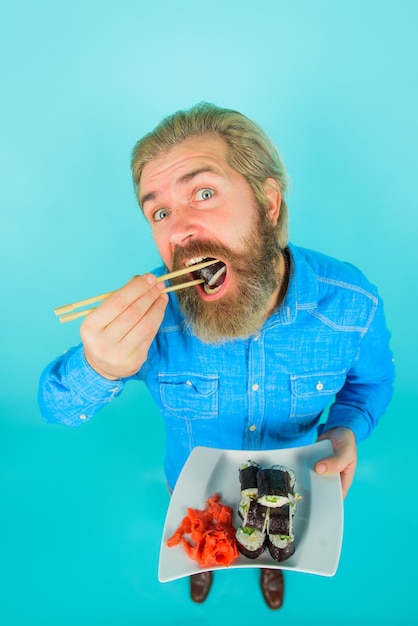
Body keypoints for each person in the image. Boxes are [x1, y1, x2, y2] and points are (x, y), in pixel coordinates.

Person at [38, 102, 394, 609]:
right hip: (186, 489)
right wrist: (100, 367)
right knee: (201, 546)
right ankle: (201, 568)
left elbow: (371, 384)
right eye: (159, 211)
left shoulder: (352, 304)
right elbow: (55, 408)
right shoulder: (153, 318)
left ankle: (272, 570)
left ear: (268, 203)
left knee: (272, 543)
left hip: (287, 490)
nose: (178, 229)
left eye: (203, 193)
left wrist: (344, 430)